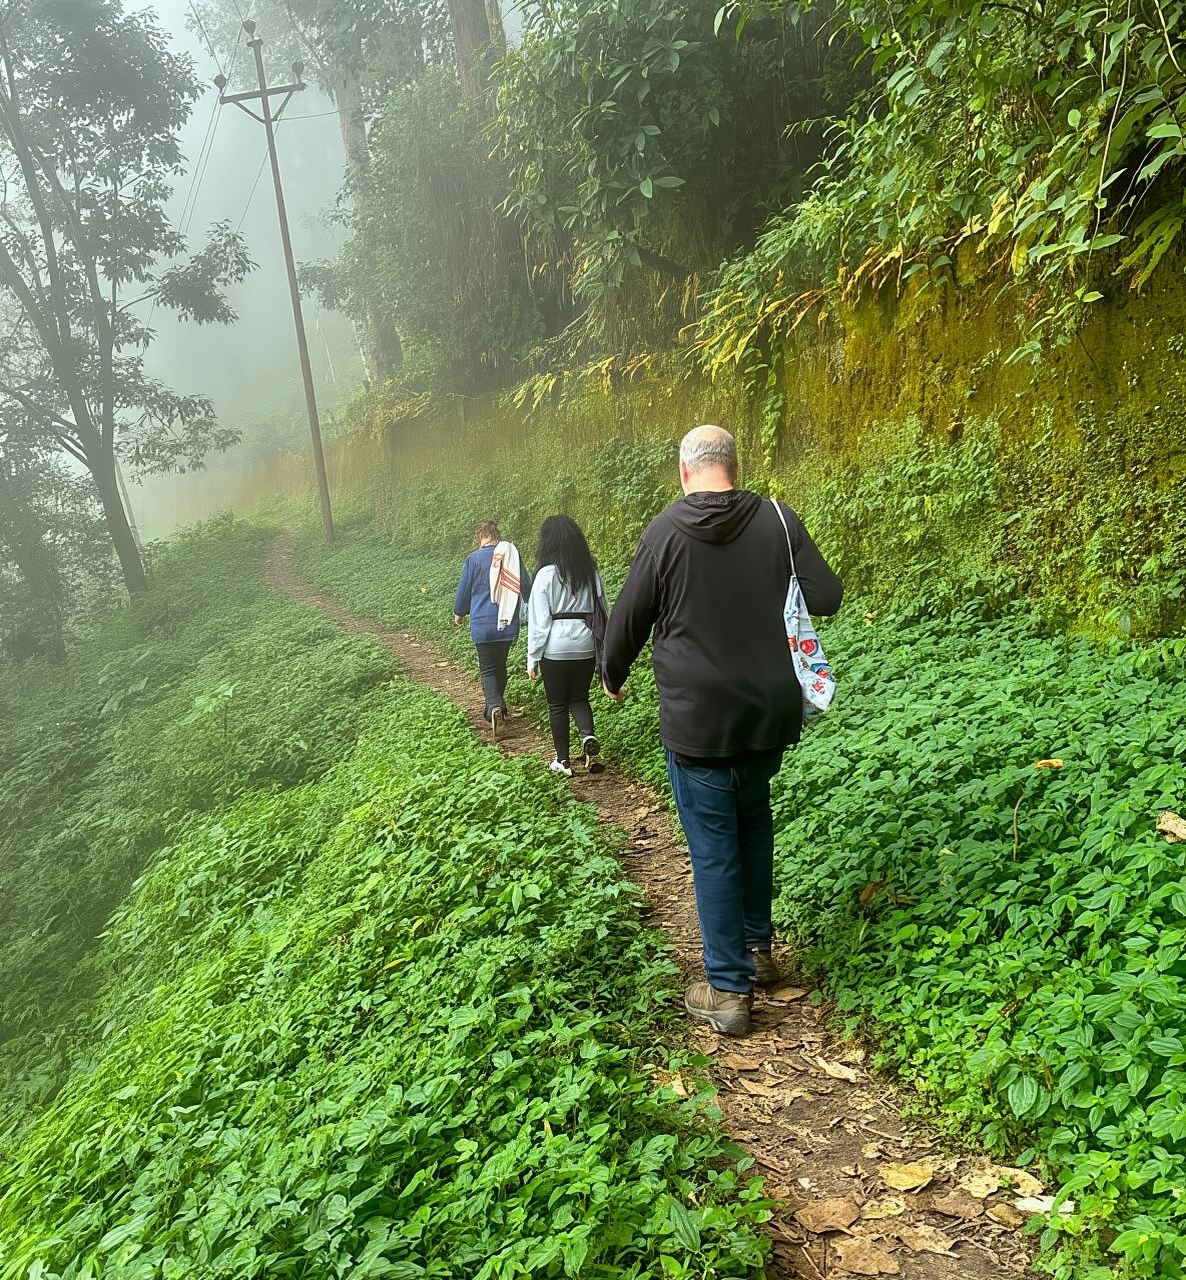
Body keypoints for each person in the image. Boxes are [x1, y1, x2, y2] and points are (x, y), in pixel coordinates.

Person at [602, 425, 843, 1037]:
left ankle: (729, 988)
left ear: (685, 471)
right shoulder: (778, 521)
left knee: (713, 843)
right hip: (767, 712)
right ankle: (758, 950)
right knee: (753, 819)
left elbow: (629, 617)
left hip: (699, 717)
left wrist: (610, 673)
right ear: (735, 465)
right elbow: (827, 594)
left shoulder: (664, 532)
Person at [527, 515, 608, 778]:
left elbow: (539, 622)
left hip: (555, 646)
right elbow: (602, 608)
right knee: (580, 697)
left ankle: (562, 760)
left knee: (557, 704)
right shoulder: (590, 571)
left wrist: (532, 658)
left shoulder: (545, 575)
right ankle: (588, 736)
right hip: (585, 643)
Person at [453, 520, 530, 738]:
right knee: (500, 666)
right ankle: (497, 706)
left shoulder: (473, 559)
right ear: (497, 535)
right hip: (506, 622)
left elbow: (464, 590)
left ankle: (494, 706)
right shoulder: (511, 555)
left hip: (482, 624)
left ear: (480, 536)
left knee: (487, 669)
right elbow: (525, 586)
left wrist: (459, 612)